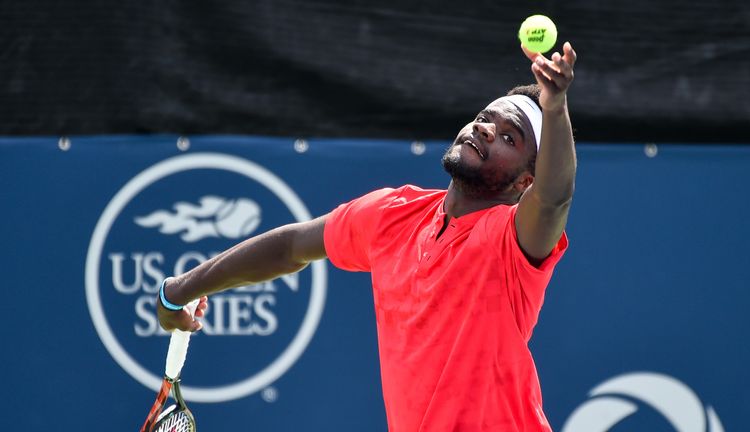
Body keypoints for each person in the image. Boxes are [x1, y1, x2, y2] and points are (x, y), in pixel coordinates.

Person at [158, 42, 577, 431]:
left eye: (509, 137)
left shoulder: (513, 241)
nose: (487, 130)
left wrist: (555, 107)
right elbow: (290, 247)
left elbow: (554, 199)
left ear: (525, 181)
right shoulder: (391, 215)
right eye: (486, 118)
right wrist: (179, 290)